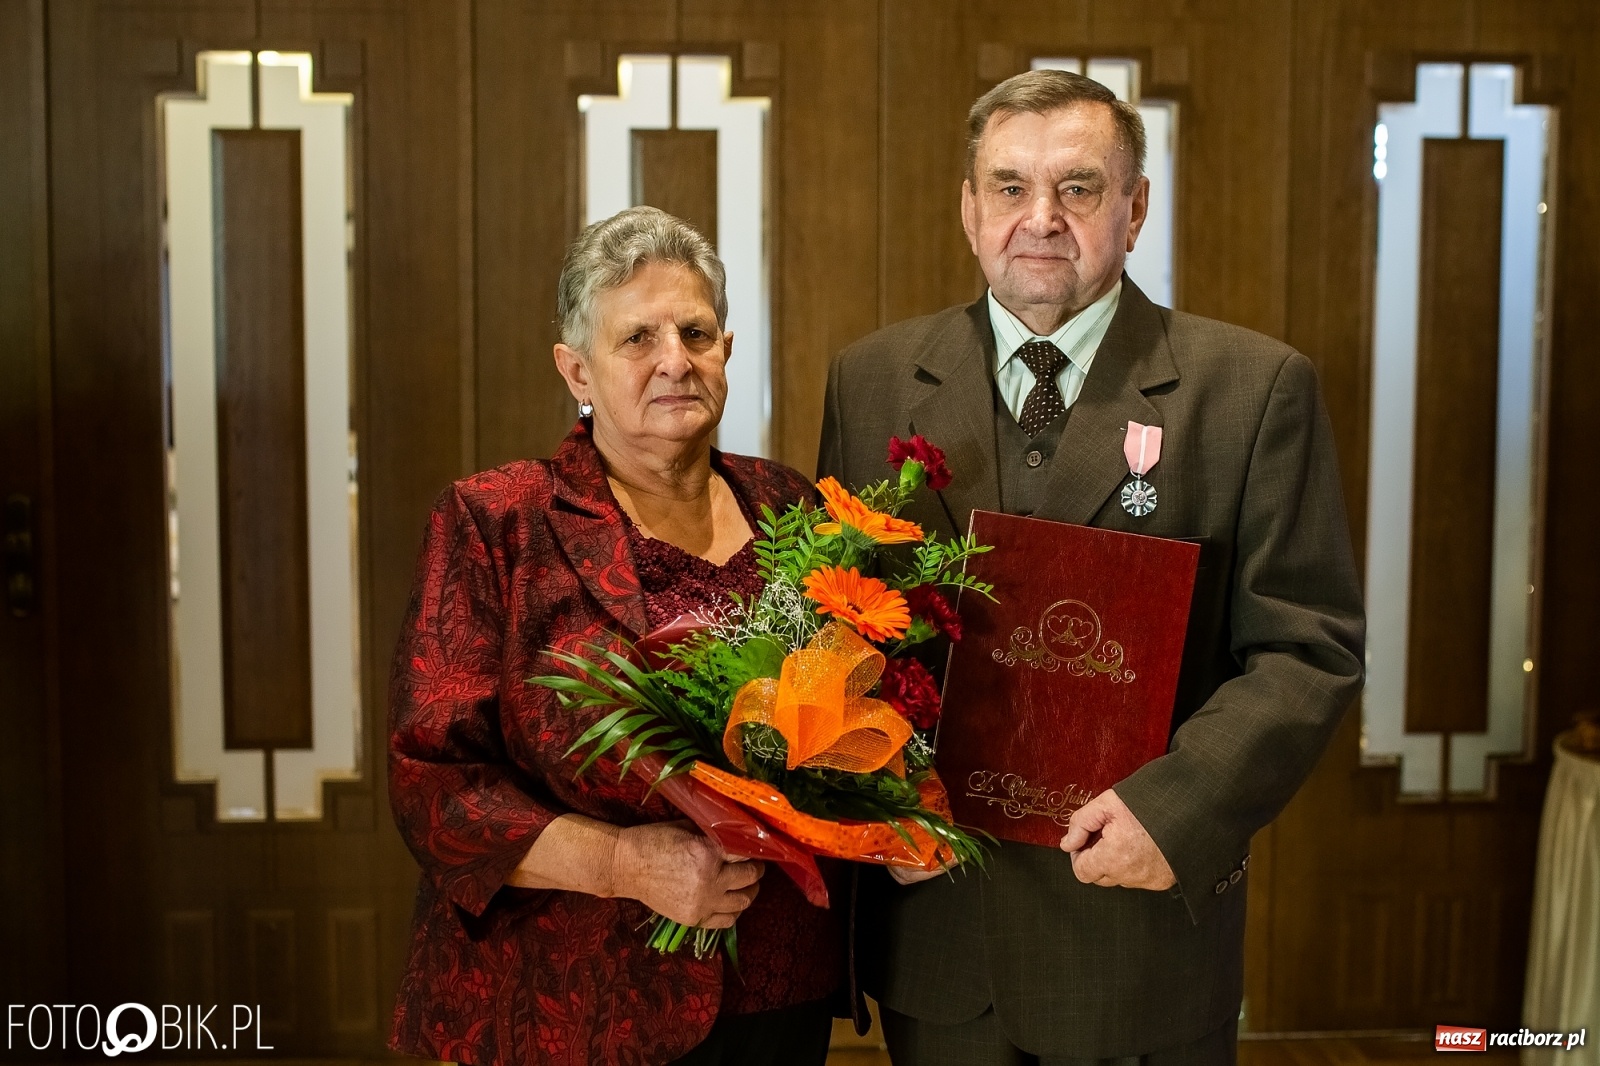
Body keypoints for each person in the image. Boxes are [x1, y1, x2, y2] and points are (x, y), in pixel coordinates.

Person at [817, 70, 1365, 1065]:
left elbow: (1306, 648)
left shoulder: (1251, 392)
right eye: (1009, 187)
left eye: (1076, 188)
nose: (1040, 218)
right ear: (968, 206)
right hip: (941, 936)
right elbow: (839, 622)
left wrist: (1178, 811)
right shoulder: (871, 379)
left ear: (1134, 206)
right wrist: (875, 798)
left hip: (1137, 937)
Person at [387, 207, 842, 1066]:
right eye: (638, 337)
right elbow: (434, 789)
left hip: (778, 983)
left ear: (728, 352)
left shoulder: (791, 507)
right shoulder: (496, 523)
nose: (676, 359)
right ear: (577, 370)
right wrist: (623, 864)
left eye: (697, 332)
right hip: (569, 999)